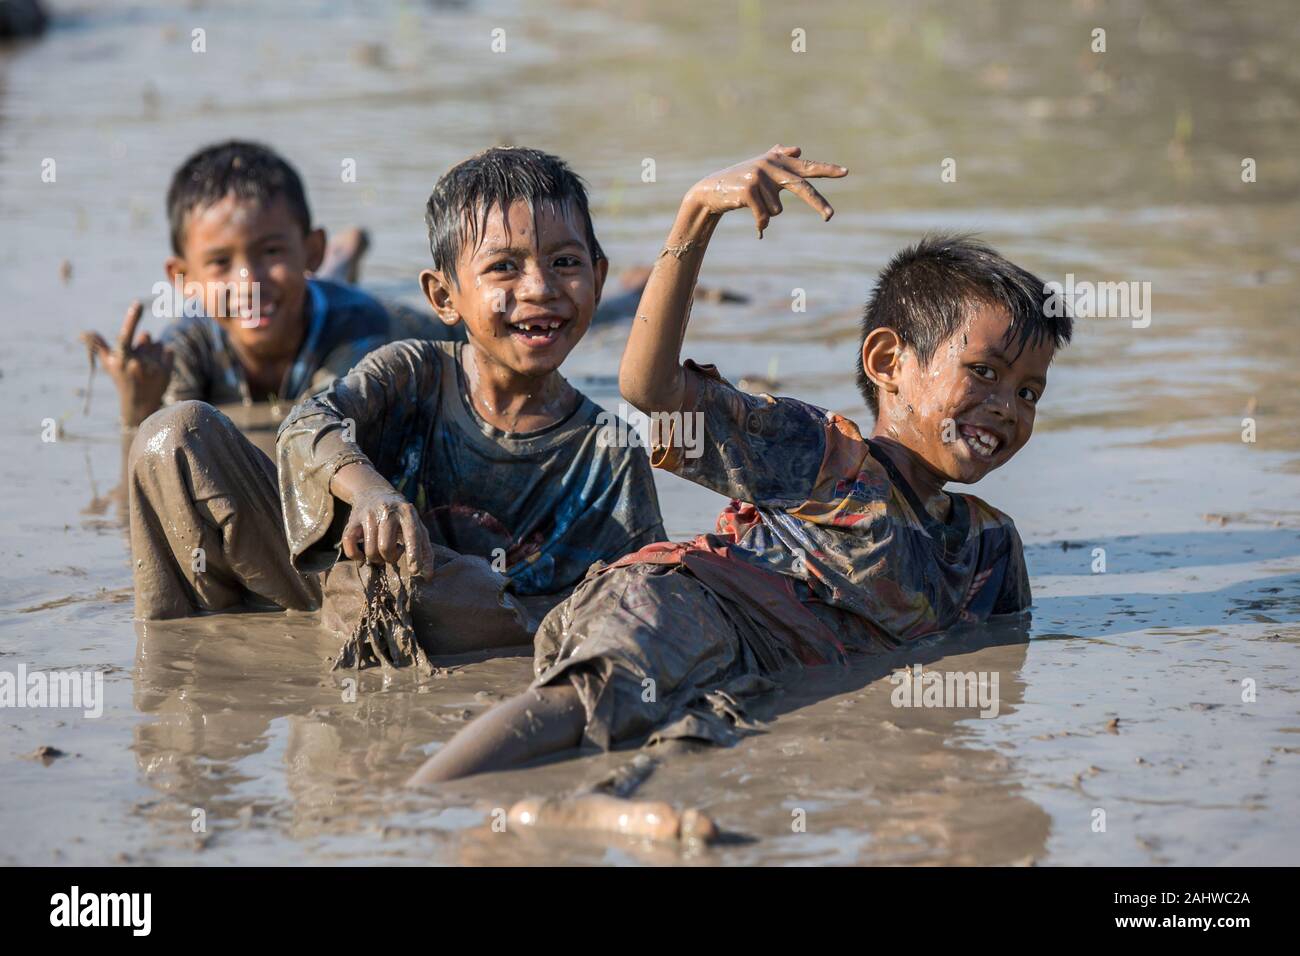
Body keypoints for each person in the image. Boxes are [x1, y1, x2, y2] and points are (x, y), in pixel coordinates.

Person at [409, 144, 1072, 785]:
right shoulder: (822, 457)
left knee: (694, 773)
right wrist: (698, 214)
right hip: (683, 608)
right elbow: (652, 389)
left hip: (756, 682)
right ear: (887, 363)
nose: (1005, 408)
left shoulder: (989, 551)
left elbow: (998, 668)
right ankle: (408, 807)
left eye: (1028, 392)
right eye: (982, 372)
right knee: (583, 705)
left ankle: (562, 815)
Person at [127, 146, 665, 650]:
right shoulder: (409, 369)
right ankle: (178, 654)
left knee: (460, 590)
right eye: (505, 266)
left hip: (453, 607)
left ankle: (620, 293)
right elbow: (306, 422)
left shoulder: (609, 452)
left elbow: (635, 600)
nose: (539, 286)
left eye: (565, 264)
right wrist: (370, 494)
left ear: (595, 276)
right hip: (337, 574)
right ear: (443, 298)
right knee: (170, 436)